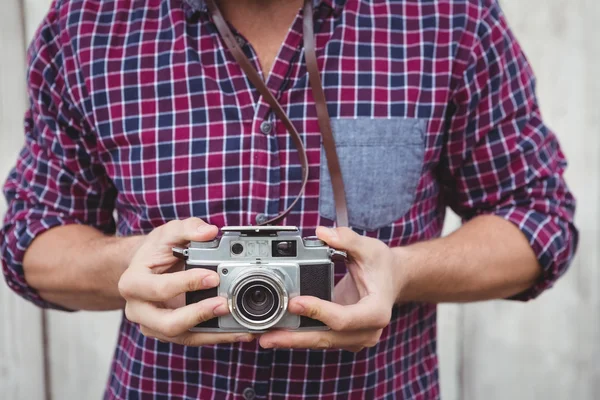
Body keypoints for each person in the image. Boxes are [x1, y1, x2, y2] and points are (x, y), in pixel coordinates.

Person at [1, 0, 577, 398]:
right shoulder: (86, 24)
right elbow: (33, 238)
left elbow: (538, 216)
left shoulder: (448, 17)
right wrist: (134, 268)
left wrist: (402, 272)